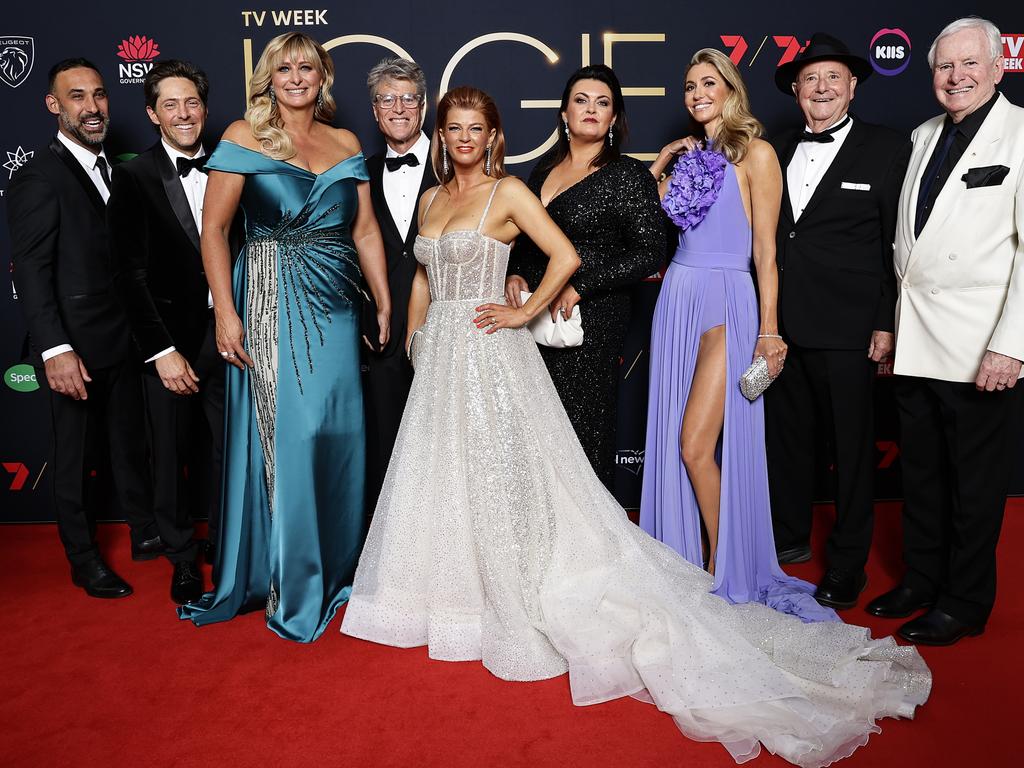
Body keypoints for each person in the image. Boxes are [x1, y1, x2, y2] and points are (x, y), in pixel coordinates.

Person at [341, 85, 930, 768]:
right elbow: (421, 276)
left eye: (476, 127)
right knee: (441, 470)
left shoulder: (510, 191)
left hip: (502, 348)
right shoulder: (437, 198)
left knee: (510, 468)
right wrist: (416, 336)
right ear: (442, 136)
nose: (465, 137)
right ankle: (440, 591)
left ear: (493, 135)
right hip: (440, 354)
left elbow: (566, 256)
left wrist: (520, 311)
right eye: (455, 128)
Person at [178, 32, 391, 642]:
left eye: (307, 66)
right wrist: (225, 312)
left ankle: (339, 567)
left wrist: (381, 301)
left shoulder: (346, 141)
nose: (296, 76)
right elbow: (214, 232)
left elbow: (367, 230)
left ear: (323, 76)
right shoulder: (243, 137)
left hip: (336, 303)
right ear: (268, 77)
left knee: (338, 433)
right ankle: (292, 581)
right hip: (271, 297)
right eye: (284, 67)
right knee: (292, 436)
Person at [639, 49, 833, 623]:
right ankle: (689, 559)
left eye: (708, 82)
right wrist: (659, 165)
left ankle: (733, 572)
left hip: (728, 301)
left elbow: (766, 252)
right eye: (689, 84)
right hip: (677, 296)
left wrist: (770, 330)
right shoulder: (690, 158)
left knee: (695, 445)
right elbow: (652, 223)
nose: (697, 92)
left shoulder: (759, 152)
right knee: (677, 439)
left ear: (730, 88)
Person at [869, 17, 1024, 646]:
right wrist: (894, 329)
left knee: (974, 487)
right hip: (917, 338)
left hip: (979, 344)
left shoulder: (1021, 135)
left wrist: (1012, 345)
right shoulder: (923, 133)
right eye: (943, 66)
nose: (954, 77)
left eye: (968, 64)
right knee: (923, 478)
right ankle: (920, 579)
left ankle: (963, 602)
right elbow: (910, 243)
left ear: (996, 67)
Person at [764, 34, 912, 611]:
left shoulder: (885, 148)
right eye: (810, 80)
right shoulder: (775, 149)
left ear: (852, 86)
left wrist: (885, 320)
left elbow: (897, 245)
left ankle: (848, 563)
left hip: (851, 329)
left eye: (832, 78)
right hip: (782, 326)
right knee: (788, 442)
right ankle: (790, 537)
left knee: (852, 453)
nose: (821, 88)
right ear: (796, 91)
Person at [7, 58, 157, 599]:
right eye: (76, 97)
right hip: (74, 345)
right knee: (73, 457)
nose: (91, 108)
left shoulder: (116, 170)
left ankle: (145, 534)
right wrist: (55, 348)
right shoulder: (37, 177)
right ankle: (83, 558)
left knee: (129, 443)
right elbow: (32, 270)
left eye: (98, 95)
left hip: (124, 338)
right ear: (53, 105)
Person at [505, 64, 665, 491]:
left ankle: (592, 546)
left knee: (581, 428)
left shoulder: (627, 176)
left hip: (593, 317)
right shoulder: (542, 171)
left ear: (614, 118)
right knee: (538, 428)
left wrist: (581, 286)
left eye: (603, 103)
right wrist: (518, 273)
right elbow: (529, 238)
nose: (591, 109)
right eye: (581, 100)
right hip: (537, 311)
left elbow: (652, 251)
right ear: (564, 113)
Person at [108, 60, 232, 604]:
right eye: (171, 104)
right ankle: (182, 558)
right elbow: (129, 276)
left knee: (233, 453)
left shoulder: (234, 167)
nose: (184, 114)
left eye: (192, 103)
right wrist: (161, 351)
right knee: (170, 456)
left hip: (232, 337)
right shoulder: (134, 178)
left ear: (205, 108)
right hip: (171, 342)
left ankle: (230, 550)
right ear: (152, 114)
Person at [362, 57, 437, 512]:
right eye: (386, 99)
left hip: (447, 325)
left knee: (446, 444)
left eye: (408, 98)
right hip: (382, 332)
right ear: (374, 111)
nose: (398, 108)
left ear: (423, 107)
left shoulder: (457, 161)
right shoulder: (359, 173)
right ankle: (385, 551)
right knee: (386, 444)